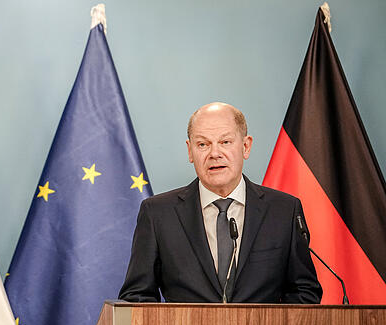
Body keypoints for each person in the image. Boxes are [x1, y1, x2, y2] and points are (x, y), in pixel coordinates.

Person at [119, 102, 322, 303]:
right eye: (203, 144)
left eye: (225, 142)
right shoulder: (158, 214)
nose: (214, 153)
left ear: (246, 146)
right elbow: (136, 297)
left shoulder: (283, 211)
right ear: (190, 151)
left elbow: (304, 292)